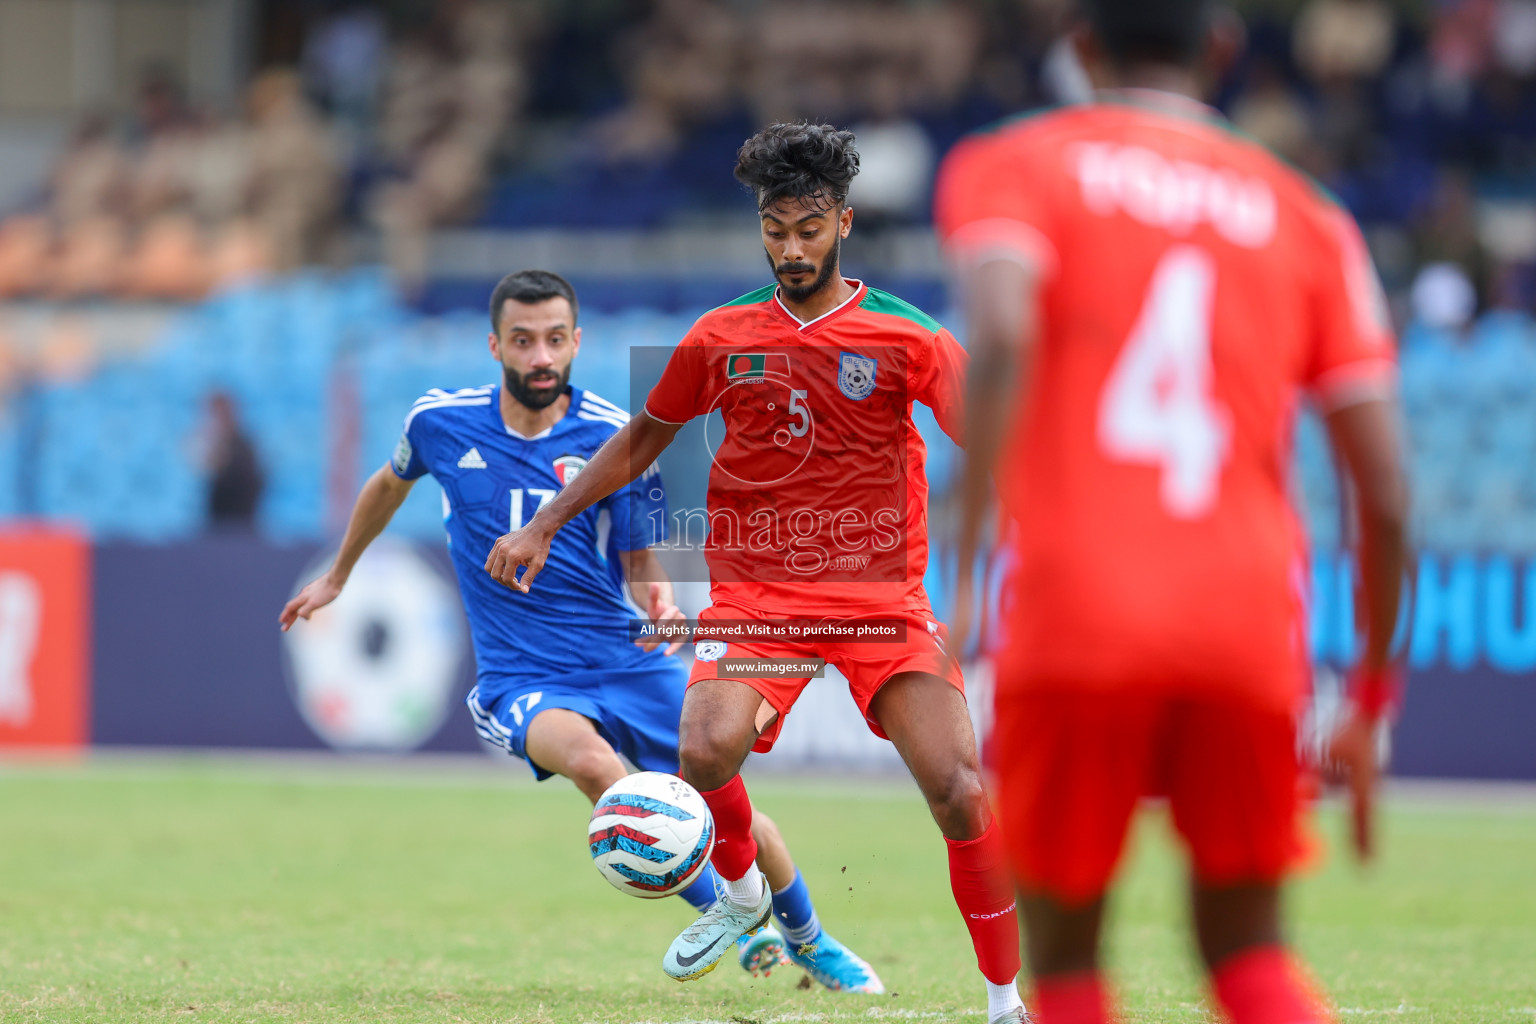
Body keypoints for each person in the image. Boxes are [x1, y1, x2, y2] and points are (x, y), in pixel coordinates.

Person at [483, 126, 1027, 1023]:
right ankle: (743, 902)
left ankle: (1006, 1004)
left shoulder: (908, 333)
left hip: (878, 598)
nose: (791, 250)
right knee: (703, 749)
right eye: (776, 230)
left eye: (809, 230)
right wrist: (547, 520)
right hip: (760, 600)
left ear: (844, 224)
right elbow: (641, 444)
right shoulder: (722, 333)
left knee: (961, 792)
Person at [933, 0, 1410, 1019]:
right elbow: (1389, 491)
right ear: (1226, 50)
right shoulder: (1309, 214)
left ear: (1080, 47)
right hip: (1245, 625)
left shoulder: (1013, 165)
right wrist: (1370, 697)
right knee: (1250, 957)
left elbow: (1006, 333)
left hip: (1076, 614)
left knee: (1063, 963)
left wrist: (968, 575)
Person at [279, 269, 877, 992]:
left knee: (726, 805)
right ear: (495, 343)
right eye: (524, 341)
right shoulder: (439, 422)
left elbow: (636, 556)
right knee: (594, 766)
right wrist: (340, 573)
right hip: (522, 675)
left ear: (576, 342)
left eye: (555, 340)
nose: (540, 357)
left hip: (620, 654)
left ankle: (809, 939)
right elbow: (387, 484)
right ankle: (723, 912)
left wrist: (658, 603)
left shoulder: (608, 434)